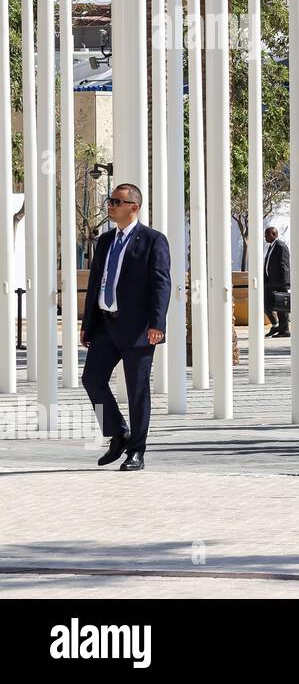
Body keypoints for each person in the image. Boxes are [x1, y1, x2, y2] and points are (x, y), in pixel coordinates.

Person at [80, 184, 171, 472]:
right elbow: (96, 282)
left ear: (134, 206)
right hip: (106, 326)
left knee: (137, 390)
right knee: (92, 379)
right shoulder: (105, 240)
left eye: (117, 201)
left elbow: (161, 284)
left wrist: (157, 323)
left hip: (138, 329)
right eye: (110, 200)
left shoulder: (153, 240)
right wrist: (88, 323)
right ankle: (119, 433)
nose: (110, 205)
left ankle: (137, 452)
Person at [263, 226, 290, 337]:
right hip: (270, 282)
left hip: (279, 283)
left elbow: (284, 266)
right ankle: (276, 325)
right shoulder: (271, 246)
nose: (265, 237)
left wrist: (284, 284)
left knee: (281, 308)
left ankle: (284, 330)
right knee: (267, 305)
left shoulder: (280, 246)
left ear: (273, 235)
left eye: (266, 235)